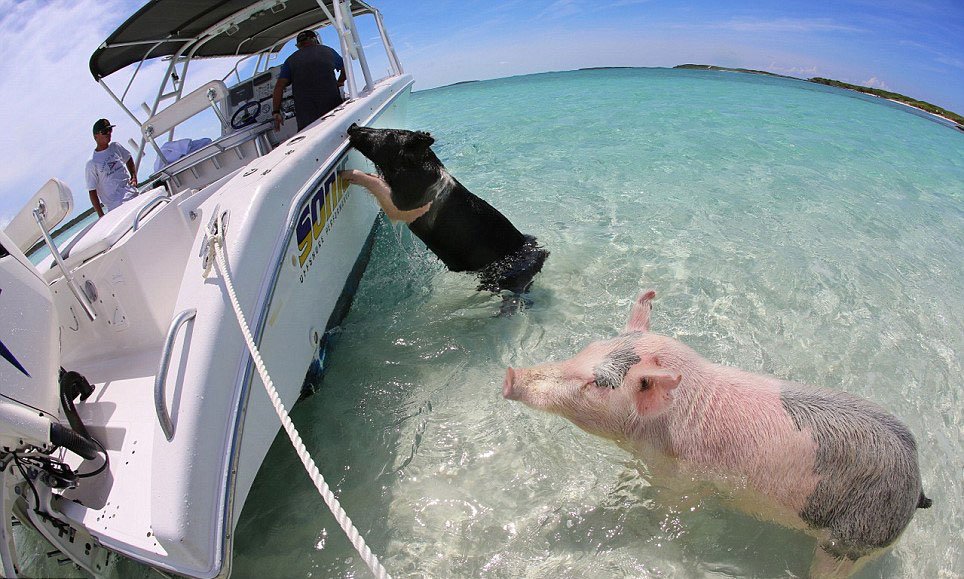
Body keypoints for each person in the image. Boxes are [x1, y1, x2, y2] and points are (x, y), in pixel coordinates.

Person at [271, 29, 346, 132]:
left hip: (307, 121)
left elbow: (279, 86)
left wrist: (276, 112)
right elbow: (345, 70)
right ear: (315, 40)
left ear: (299, 45)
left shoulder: (290, 60)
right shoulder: (328, 51)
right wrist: (340, 82)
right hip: (334, 111)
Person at [86, 119, 138, 217]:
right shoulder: (92, 162)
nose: (108, 133)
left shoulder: (116, 147)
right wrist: (101, 215)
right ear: (95, 136)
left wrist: (134, 177)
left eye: (110, 130)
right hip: (117, 208)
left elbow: (128, 158)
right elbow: (92, 191)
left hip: (133, 195)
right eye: (104, 131)